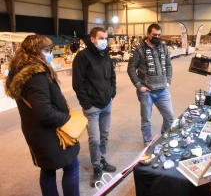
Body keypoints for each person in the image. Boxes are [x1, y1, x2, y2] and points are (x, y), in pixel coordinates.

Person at [5, 35, 80, 196]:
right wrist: (67, 120)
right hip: (49, 130)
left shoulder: (20, 70)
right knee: (71, 166)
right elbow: (44, 112)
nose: (50, 53)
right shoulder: (36, 74)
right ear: (35, 51)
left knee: (48, 168)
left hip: (36, 129)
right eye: (46, 50)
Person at [72, 27, 117, 187]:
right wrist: (86, 103)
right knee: (95, 139)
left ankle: (102, 159)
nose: (104, 41)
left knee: (104, 135)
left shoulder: (106, 56)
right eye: (101, 38)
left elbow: (112, 76)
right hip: (92, 107)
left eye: (106, 38)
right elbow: (78, 84)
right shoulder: (82, 57)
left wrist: (112, 92)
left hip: (107, 103)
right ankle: (97, 167)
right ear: (92, 39)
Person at [127, 23, 174, 147]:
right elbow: (131, 68)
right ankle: (147, 141)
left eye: (159, 35)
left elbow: (169, 65)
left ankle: (165, 135)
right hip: (147, 91)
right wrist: (139, 86)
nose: (157, 37)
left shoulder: (163, 46)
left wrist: (168, 80)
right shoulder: (138, 48)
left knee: (169, 116)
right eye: (154, 35)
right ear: (148, 34)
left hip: (163, 90)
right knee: (146, 119)